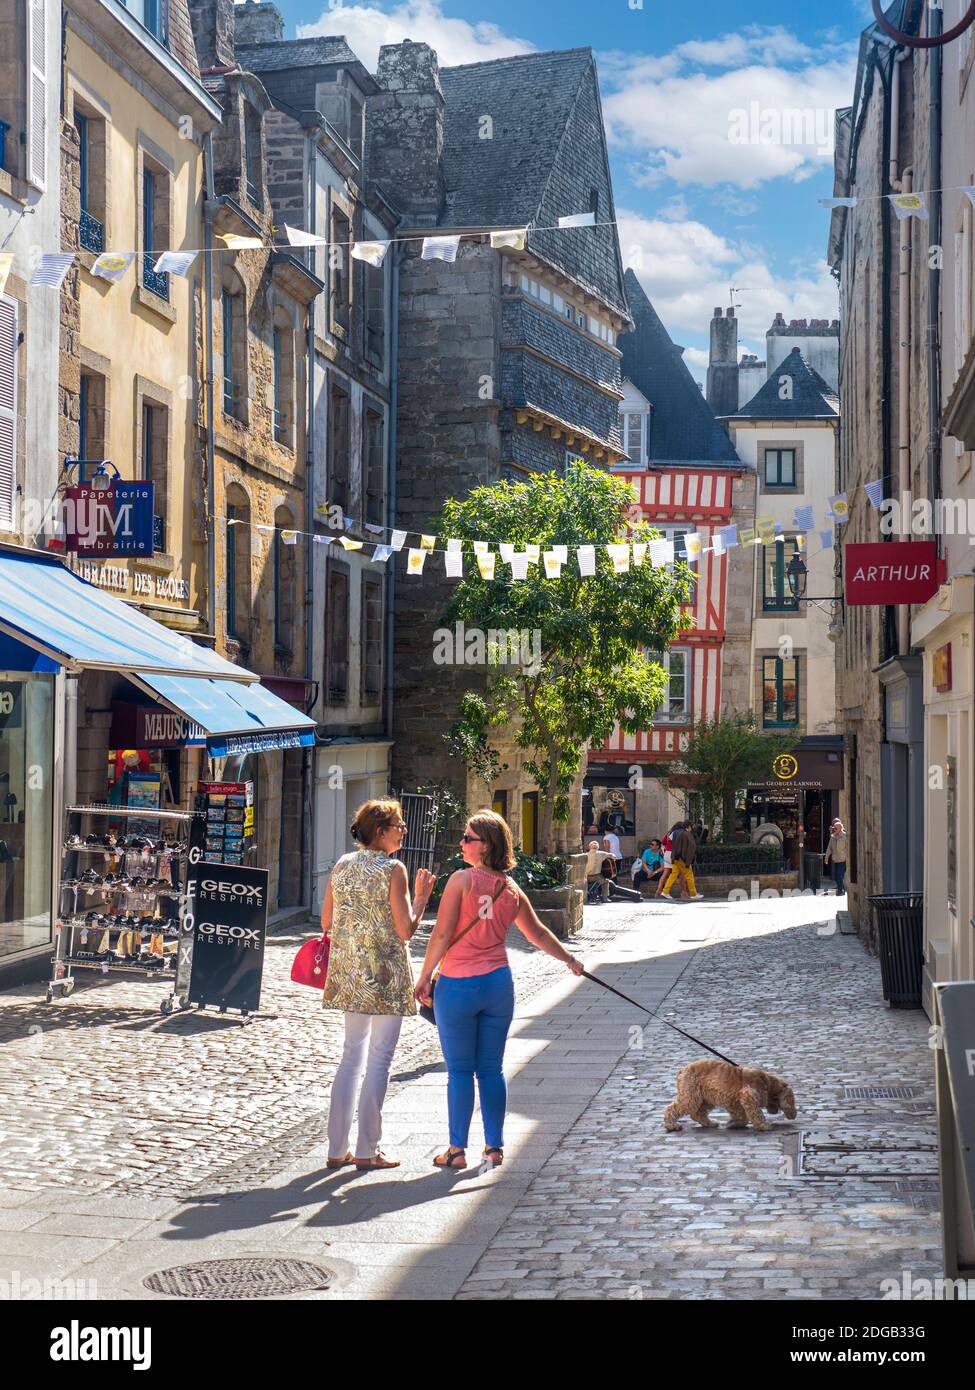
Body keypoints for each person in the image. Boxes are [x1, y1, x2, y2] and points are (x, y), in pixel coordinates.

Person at [415, 809, 583, 1170]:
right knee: (491, 1069)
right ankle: (494, 1147)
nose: (461, 842)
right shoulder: (511, 889)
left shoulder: (460, 881)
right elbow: (536, 934)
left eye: (467, 838)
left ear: (486, 845)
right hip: (496, 985)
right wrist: (570, 959)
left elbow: (442, 934)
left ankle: (456, 1151)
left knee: (460, 1070)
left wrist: (424, 975)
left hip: (458, 984)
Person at [321, 798, 436, 1171]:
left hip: (349, 972)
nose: (404, 831)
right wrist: (420, 899)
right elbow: (406, 929)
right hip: (384, 972)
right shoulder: (393, 868)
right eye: (399, 826)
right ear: (380, 831)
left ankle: (337, 1148)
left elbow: (327, 921)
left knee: (350, 1056)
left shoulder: (341, 865)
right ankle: (368, 1149)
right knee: (380, 1059)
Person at [661, 821, 704, 901]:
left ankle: (665, 891)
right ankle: (693, 894)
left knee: (673, 874)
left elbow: (669, 842)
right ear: (689, 826)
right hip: (683, 858)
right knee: (689, 875)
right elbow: (690, 848)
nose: (691, 829)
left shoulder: (674, 832)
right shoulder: (686, 834)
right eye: (691, 827)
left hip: (674, 857)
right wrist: (688, 861)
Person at [824, 818, 848, 896]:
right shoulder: (833, 836)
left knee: (839, 875)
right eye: (834, 827)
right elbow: (829, 847)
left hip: (843, 859)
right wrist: (826, 857)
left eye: (835, 828)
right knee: (838, 876)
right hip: (836, 859)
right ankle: (842, 889)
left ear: (840, 828)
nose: (834, 829)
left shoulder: (845, 836)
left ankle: (841, 891)